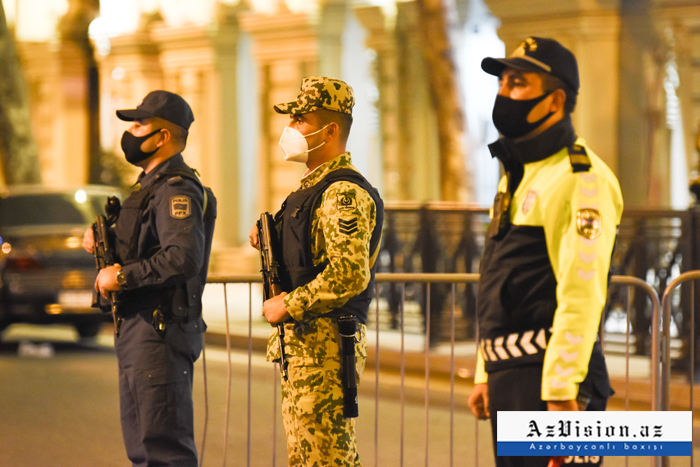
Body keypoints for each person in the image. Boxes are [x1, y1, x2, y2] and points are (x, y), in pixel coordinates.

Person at [466, 37, 624, 467]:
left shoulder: (580, 179)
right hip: (512, 376)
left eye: (518, 83)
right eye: (502, 83)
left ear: (555, 100)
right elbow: (502, 280)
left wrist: (560, 392)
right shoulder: (520, 174)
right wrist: (487, 372)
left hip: (554, 381)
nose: (504, 94)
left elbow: (581, 292)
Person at [249, 76, 384, 466]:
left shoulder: (342, 192)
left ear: (331, 130)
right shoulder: (311, 189)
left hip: (326, 348)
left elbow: (349, 273)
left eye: (300, 120)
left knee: (329, 459)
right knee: (308, 458)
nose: (290, 129)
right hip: (305, 349)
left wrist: (289, 303)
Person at [83, 90, 216, 467]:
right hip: (139, 327)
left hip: (159, 329)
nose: (132, 131)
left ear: (163, 137)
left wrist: (122, 276)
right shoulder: (150, 184)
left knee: (164, 450)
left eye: (140, 124)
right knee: (144, 448)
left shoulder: (176, 187)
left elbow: (181, 257)